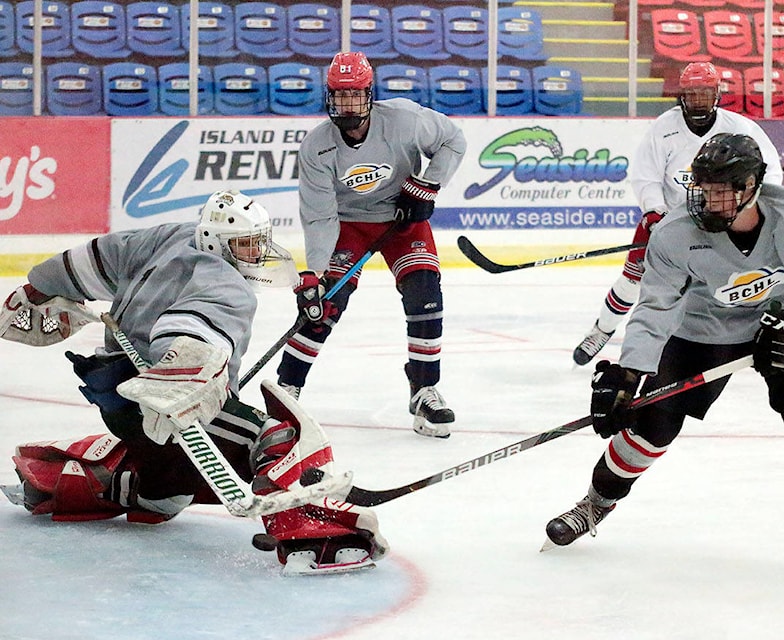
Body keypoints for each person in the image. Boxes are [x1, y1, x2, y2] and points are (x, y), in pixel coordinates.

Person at [546, 134, 784, 579]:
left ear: (751, 187)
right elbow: (656, 307)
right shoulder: (675, 233)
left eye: (720, 191)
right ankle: (595, 504)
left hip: (780, 323)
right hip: (702, 329)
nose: (707, 201)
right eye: (703, 189)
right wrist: (630, 373)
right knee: (652, 425)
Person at [0, 190, 388, 575]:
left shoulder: (169, 237)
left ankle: (110, 485)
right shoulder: (228, 284)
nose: (256, 253)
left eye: (257, 242)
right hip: (164, 401)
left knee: (172, 488)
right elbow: (186, 331)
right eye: (246, 245)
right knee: (277, 437)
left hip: (116, 395)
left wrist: (40, 286)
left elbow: (100, 257)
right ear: (216, 242)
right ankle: (310, 534)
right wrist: (175, 383)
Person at [276, 50, 467, 439]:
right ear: (329, 97)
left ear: (369, 94)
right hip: (348, 224)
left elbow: (453, 140)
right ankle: (286, 390)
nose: (347, 104)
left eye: (354, 94)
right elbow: (319, 216)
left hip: (402, 219)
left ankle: (424, 389)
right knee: (325, 303)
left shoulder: (405, 120)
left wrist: (428, 185)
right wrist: (315, 273)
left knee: (425, 294)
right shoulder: (317, 146)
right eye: (339, 95)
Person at [573, 61, 784, 366]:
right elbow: (646, 176)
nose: (698, 100)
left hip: (721, 218)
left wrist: (748, 205)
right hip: (671, 219)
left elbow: (770, 170)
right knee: (633, 279)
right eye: (692, 93)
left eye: (705, 93)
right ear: (682, 95)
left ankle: (733, 338)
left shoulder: (740, 128)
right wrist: (655, 212)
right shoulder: (664, 128)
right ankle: (601, 330)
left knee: (727, 282)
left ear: (717, 94)